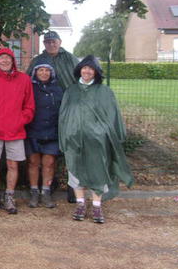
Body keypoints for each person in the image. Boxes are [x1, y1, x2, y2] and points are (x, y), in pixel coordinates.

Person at [58, 55, 134, 223]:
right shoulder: (71, 91)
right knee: (75, 171)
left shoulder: (104, 92)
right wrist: (65, 136)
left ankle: (97, 206)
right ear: (79, 70)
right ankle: (80, 204)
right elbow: (63, 116)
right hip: (74, 140)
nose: (87, 71)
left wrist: (104, 133)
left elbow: (113, 116)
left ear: (96, 72)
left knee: (97, 171)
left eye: (91, 69)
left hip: (97, 142)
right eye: (84, 68)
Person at [0, 47, 35, 214]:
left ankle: (10, 196)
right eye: (1, 59)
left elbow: (29, 105)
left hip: (15, 130)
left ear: (13, 61)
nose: (4, 61)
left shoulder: (23, 79)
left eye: (7, 58)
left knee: (12, 164)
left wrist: (21, 120)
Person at [27, 30, 80, 203]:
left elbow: (81, 78)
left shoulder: (70, 58)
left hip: (68, 107)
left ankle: (71, 189)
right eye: (47, 42)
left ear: (60, 41)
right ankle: (41, 189)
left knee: (64, 153)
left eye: (53, 41)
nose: (51, 44)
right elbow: (27, 82)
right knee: (35, 160)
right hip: (40, 113)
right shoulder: (38, 60)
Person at [25, 64, 63, 209]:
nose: (44, 73)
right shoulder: (30, 87)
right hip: (33, 130)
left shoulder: (58, 89)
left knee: (49, 163)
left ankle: (46, 192)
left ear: (52, 73)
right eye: (41, 70)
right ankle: (34, 192)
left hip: (52, 131)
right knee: (33, 163)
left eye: (47, 70)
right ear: (35, 72)